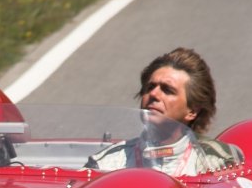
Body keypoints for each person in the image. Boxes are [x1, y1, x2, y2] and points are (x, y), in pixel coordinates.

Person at [88, 47, 241, 174]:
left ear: (192, 111)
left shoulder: (217, 162)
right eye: (150, 87)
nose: (153, 94)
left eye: (167, 90)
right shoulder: (107, 164)